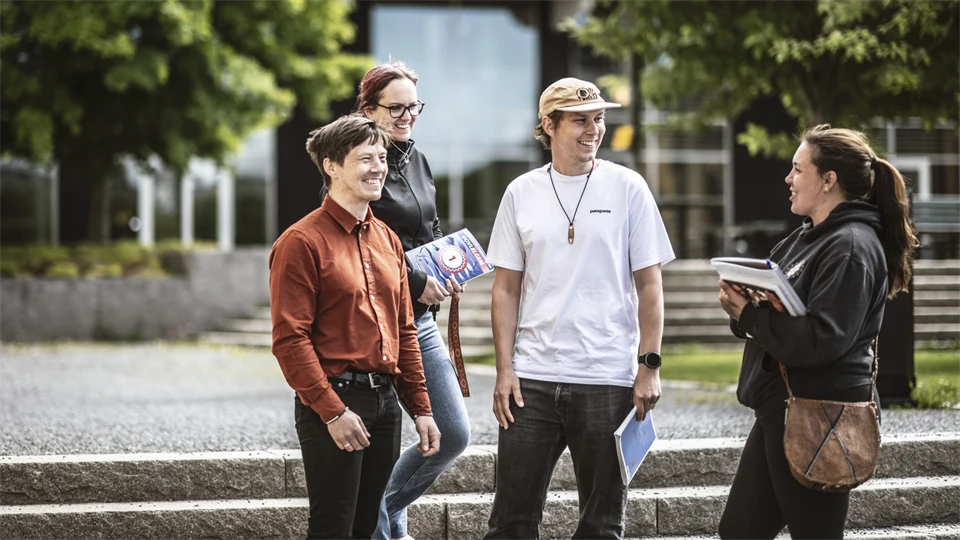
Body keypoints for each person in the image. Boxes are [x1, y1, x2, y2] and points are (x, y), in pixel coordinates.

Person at [483, 77, 676, 540]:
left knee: (602, 526)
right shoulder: (521, 192)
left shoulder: (628, 187)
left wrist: (649, 366)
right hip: (532, 380)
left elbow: (650, 285)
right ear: (549, 125)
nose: (594, 130)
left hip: (607, 376)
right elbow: (505, 289)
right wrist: (505, 370)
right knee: (510, 523)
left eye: (599, 118)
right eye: (580, 120)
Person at [716, 124, 917, 540]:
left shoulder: (851, 246)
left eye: (797, 169)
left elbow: (820, 340)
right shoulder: (806, 238)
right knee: (739, 531)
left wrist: (750, 317)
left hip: (821, 415)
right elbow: (783, 315)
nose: (787, 179)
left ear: (828, 180)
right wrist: (744, 307)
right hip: (781, 408)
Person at [270, 113, 441, 540]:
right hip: (337, 401)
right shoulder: (301, 242)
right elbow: (290, 340)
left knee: (367, 527)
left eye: (382, 158)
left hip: (385, 404)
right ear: (331, 166)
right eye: (366, 159)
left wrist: (421, 409)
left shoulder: (387, 239)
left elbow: (403, 331)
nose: (378, 168)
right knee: (333, 528)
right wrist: (332, 412)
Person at [348, 60, 471, 540]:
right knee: (391, 439)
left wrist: (449, 268)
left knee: (452, 434)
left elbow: (429, 226)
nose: (407, 116)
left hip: (419, 320)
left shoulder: (416, 160)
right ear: (369, 109)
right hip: (376, 323)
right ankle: (381, 525)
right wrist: (418, 278)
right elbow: (362, 241)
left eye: (413, 106)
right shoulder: (355, 165)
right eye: (395, 108)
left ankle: (379, 514)